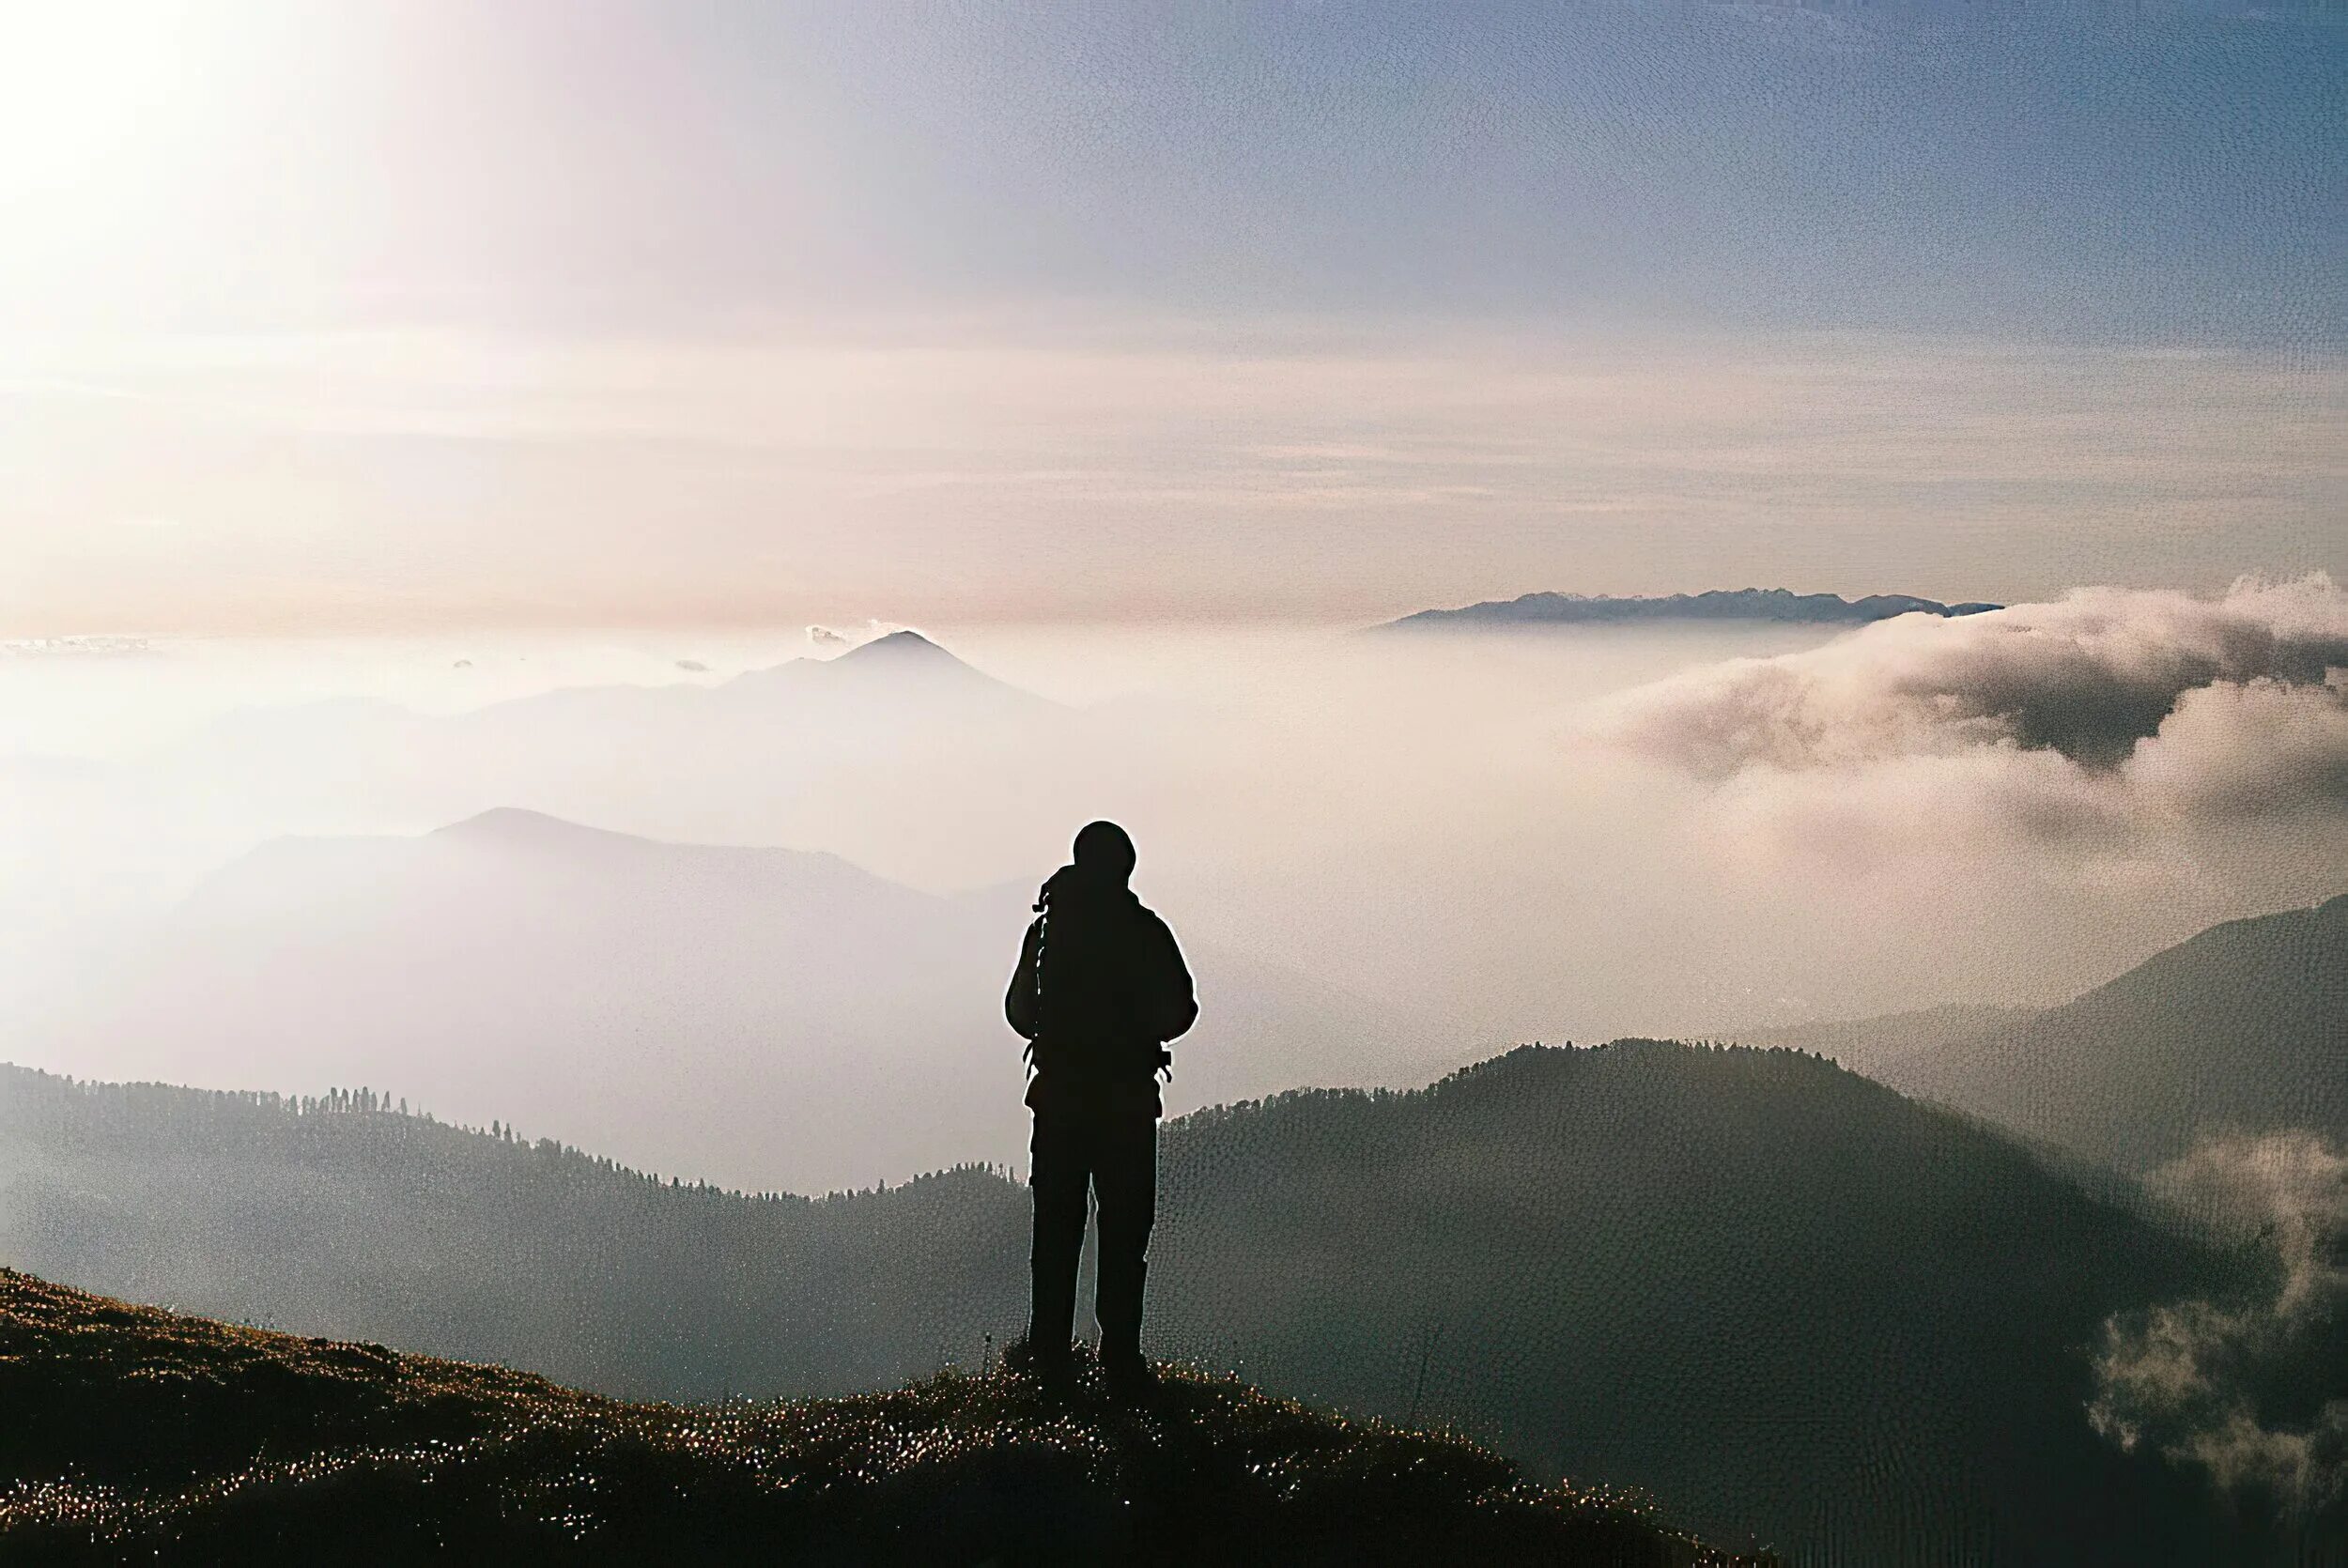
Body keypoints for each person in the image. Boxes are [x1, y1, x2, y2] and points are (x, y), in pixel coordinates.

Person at [1003, 820, 1197, 1395]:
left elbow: (1020, 1013)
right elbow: (1181, 1010)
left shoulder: (1047, 932)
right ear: (1126, 868)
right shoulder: (1144, 931)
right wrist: (1133, 1032)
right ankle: (1120, 1358)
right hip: (1127, 1105)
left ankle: (1049, 1354)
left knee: (1056, 1233)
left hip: (1059, 1102)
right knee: (1125, 1232)